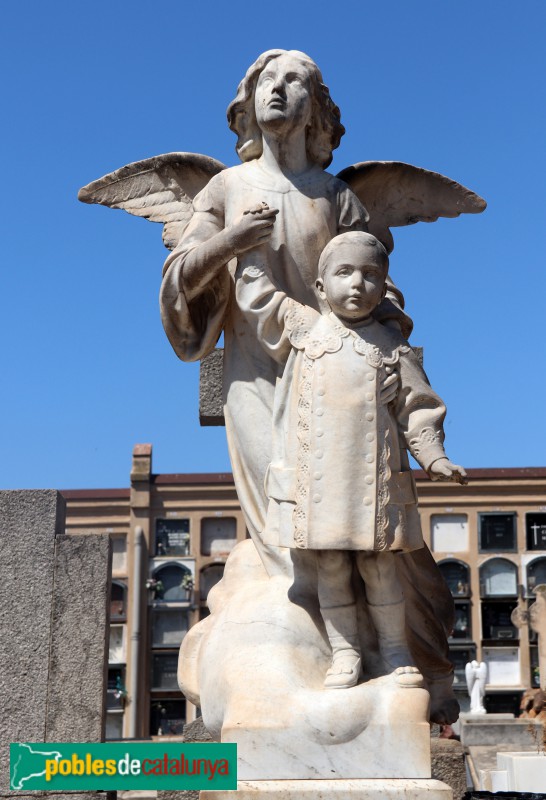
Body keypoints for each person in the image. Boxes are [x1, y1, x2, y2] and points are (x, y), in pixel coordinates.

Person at [160, 49, 459, 720]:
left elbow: (373, 280)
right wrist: (232, 241)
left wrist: (389, 351)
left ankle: (372, 653)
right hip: (257, 376)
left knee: (354, 513)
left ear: (316, 107)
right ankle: (303, 652)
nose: (278, 90)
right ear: (249, 100)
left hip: (339, 377)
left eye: (294, 81)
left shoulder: (337, 196)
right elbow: (182, 278)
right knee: (290, 526)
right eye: (267, 80)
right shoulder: (228, 188)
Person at [236, 230, 467, 688]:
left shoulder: (391, 346)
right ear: (321, 287)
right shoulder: (302, 329)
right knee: (332, 568)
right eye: (345, 273)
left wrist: (434, 457)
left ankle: (396, 649)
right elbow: (257, 294)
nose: (357, 284)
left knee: (379, 567)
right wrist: (241, 241)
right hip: (319, 483)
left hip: (374, 483)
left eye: (370, 275)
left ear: (384, 288)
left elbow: (418, 407)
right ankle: (345, 652)